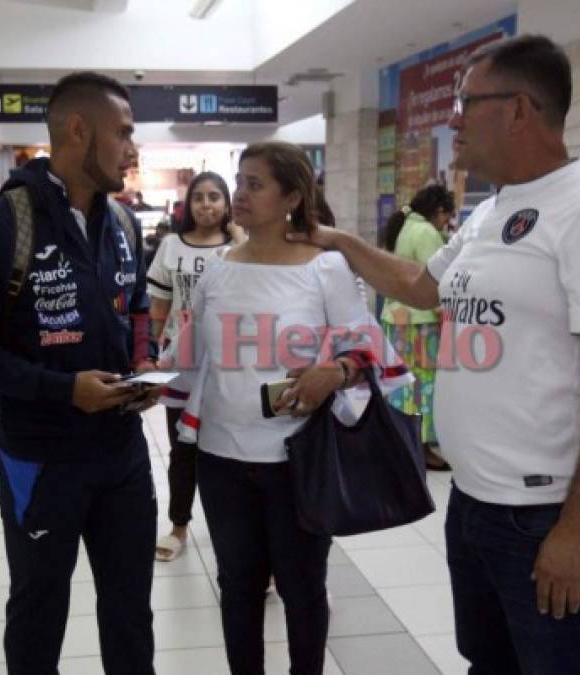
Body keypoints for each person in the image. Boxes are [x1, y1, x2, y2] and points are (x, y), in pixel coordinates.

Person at [289, 35, 580, 675]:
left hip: (549, 516)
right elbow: (418, 286)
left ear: (519, 109)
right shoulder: (493, 212)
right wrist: (335, 238)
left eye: (465, 102)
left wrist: (579, 532)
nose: (452, 120)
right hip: (476, 504)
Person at [0, 72, 159, 675]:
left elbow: (136, 306)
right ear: (77, 130)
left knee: (130, 613)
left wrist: (144, 361)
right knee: (38, 613)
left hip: (124, 458)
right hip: (39, 460)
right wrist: (65, 390)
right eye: (123, 132)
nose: (131, 147)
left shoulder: (122, 227)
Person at [169, 141, 408, 675]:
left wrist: (337, 372)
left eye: (255, 184)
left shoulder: (325, 269)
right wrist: (143, 379)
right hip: (221, 459)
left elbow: (364, 349)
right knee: (237, 587)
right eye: (241, 181)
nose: (240, 194)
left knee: (302, 589)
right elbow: (188, 354)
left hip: (298, 461)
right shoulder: (217, 271)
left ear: (293, 197)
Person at [146, 170, 234, 562]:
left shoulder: (241, 246)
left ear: (227, 202)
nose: (207, 205)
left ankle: (230, 528)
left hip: (232, 362)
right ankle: (179, 525)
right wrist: (151, 353)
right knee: (183, 447)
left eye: (215, 197)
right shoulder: (171, 246)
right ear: (188, 204)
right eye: (199, 197)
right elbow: (158, 310)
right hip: (183, 363)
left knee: (228, 451)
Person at [380, 185, 455, 471]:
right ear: (438, 211)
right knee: (423, 386)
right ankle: (420, 446)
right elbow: (436, 280)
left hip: (397, 318)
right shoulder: (425, 232)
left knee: (401, 384)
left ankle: (402, 442)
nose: (444, 224)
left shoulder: (405, 226)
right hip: (419, 322)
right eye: (446, 217)